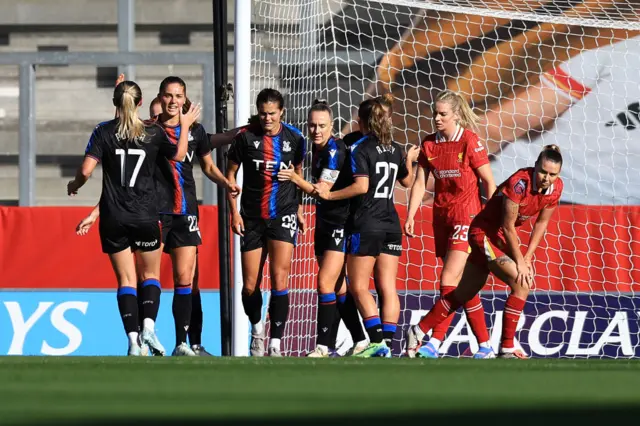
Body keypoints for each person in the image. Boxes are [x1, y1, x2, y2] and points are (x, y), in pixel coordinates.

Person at [76, 76, 240, 356]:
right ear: (159, 99)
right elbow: (124, 175)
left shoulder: (196, 132)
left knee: (184, 278)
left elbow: (210, 165)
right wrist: (96, 210)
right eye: (168, 95)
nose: (173, 100)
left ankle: (181, 343)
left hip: (185, 210)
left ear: (185, 99)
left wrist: (226, 183)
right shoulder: (147, 130)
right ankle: (144, 334)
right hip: (153, 212)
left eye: (178, 96)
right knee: (145, 276)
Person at [67, 80, 194, 355]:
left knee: (126, 279)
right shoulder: (153, 132)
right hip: (146, 215)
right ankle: (149, 326)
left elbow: (87, 171)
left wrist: (75, 185)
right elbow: (180, 155)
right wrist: (184, 125)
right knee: (150, 275)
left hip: (113, 217)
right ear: (140, 103)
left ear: (116, 104)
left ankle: (133, 341)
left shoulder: (103, 132)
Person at [407, 145, 564, 359]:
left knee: (463, 293)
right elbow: (508, 227)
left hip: (498, 237)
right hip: (484, 233)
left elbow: (541, 224)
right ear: (535, 166)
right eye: (543, 172)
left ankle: (417, 331)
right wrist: (520, 262)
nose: (546, 178)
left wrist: (527, 257)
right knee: (521, 282)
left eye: (552, 174)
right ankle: (507, 347)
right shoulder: (519, 184)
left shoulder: (556, 188)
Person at [316, 98, 420, 357]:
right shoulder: (395, 148)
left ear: (361, 122)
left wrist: (330, 195)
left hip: (367, 223)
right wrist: (408, 159)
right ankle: (386, 343)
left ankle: (376, 342)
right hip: (391, 224)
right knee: (387, 287)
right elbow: (406, 182)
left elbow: (361, 187)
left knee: (359, 286)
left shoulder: (359, 148)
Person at [403, 90, 496, 358]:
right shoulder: (430, 144)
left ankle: (427, 335)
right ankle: (486, 345)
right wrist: (410, 215)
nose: (437, 118)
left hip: (466, 217)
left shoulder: (469, 141)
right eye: (435, 113)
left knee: (448, 279)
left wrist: (489, 219)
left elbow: (488, 181)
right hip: (441, 219)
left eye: (443, 114)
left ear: (456, 114)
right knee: (461, 286)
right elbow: (420, 182)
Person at [277, 100, 368, 357]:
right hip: (324, 222)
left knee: (324, 283)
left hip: (342, 223)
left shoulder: (334, 151)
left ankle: (323, 346)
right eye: (312, 125)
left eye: (321, 126)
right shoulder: (315, 149)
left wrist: (295, 178)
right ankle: (361, 339)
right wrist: (299, 208)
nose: (316, 130)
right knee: (338, 288)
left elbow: (322, 191)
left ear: (332, 126)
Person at [226, 88, 307, 357]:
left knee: (279, 279)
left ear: (281, 112)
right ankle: (257, 328)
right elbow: (230, 177)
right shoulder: (245, 138)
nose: (267, 119)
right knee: (249, 285)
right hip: (250, 217)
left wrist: (297, 208)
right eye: (263, 114)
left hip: (282, 215)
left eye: (272, 114)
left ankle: (275, 343)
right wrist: (234, 212)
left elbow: (298, 171)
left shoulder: (294, 138)